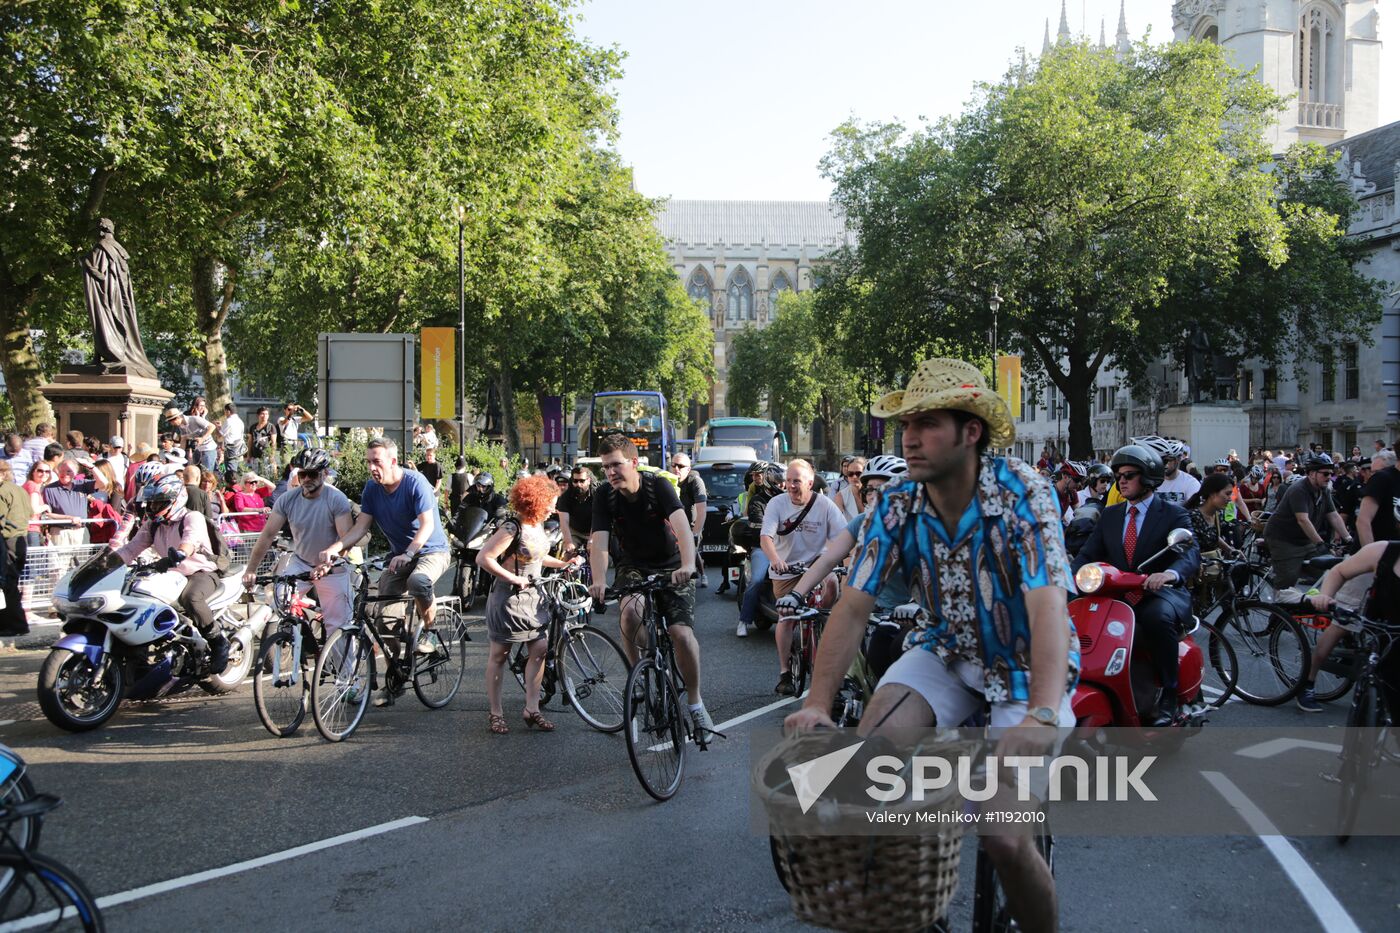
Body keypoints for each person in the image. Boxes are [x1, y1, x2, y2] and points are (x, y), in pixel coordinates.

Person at [786, 359, 1075, 933]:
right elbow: (853, 604)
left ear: (971, 432)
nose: (909, 438)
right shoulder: (895, 502)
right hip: (945, 650)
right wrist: (818, 701)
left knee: (1003, 833)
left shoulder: (1025, 492)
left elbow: (1049, 608)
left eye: (927, 424)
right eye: (905, 425)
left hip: (1024, 668)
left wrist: (1042, 712)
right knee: (873, 756)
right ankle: (910, 909)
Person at [587, 434, 714, 740]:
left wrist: (686, 565)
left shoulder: (657, 485)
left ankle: (695, 703)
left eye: (616, 465)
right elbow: (599, 541)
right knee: (630, 614)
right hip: (633, 565)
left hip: (672, 564)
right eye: (606, 467)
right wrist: (599, 581)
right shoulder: (604, 495)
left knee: (681, 633)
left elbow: (683, 526)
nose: (611, 472)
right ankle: (639, 676)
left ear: (633, 462)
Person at [1074, 442, 1200, 725]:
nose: (1122, 480)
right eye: (1119, 475)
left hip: (1159, 594)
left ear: (1149, 477)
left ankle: (1169, 693)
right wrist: (1063, 581)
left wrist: (1170, 575)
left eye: (1129, 475)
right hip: (1118, 596)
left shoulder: (1173, 514)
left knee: (1157, 619)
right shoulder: (1110, 515)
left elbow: (1189, 552)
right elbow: (1086, 554)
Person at [317, 438, 450, 707]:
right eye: (368, 462)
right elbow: (360, 528)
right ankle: (396, 678)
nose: (371, 467)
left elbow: (426, 525)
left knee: (419, 580)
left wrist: (409, 553)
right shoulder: (372, 489)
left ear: (392, 460)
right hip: (398, 558)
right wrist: (335, 548)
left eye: (376, 461)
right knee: (384, 624)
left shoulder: (415, 483)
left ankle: (431, 632)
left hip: (431, 551)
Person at [476, 474, 582, 734]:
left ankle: (532, 709)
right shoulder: (513, 527)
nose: (553, 509)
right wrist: (513, 578)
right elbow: (484, 558)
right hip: (508, 599)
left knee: (540, 648)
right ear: (536, 501)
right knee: (499, 656)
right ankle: (496, 713)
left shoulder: (537, 527)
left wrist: (564, 564)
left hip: (534, 599)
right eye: (550, 503)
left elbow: (539, 556)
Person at [242, 448, 356, 650]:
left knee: (337, 628)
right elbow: (267, 535)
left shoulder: (335, 498)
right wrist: (251, 570)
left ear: (325, 473)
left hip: (333, 567)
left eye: (312, 474)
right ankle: (308, 625)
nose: (306, 479)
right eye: (302, 474)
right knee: (279, 599)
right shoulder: (287, 499)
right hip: (302, 561)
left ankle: (346, 680)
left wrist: (327, 564)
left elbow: (346, 540)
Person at [115, 474, 230, 672]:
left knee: (191, 598)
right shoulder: (153, 525)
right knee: (137, 595)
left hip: (200, 572)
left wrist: (179, 554)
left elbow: (190, 540)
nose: (152, 508)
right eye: (150, 503)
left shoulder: (191, 517)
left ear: (175, 500)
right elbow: (131, 548)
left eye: (157, 503)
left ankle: (219, 642)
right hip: (171, 576)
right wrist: (108, 562)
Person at [762, 459, 845, 696]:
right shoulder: (776, 504)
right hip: (787, 571)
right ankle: (785, 672)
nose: (790, 486)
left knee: (831, 584)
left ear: (810, 483)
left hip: (816, 568)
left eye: (796, 481)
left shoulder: (825, 505)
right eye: (787, 481)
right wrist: (776, 560)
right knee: (786, 616)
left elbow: (843, 538)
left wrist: (839, 560)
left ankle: (821, 624)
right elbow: (765, 538)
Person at [1297, 539, 1400, 712]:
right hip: (1372, 571)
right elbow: (1340, 570)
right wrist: (1325, 596)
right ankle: (1308, 682)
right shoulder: (1382, 550)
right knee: (1341, 624)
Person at [1264, 454, 1353, 587]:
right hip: (1283, 539)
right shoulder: (1299, 490)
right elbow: (1303, 520)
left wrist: (1349, 539)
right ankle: (1278, 606)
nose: (1329, 477)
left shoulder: (1324, 491)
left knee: (1325, 571)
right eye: (1325, 474)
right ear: (1312, 473)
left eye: (1331, 473)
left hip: (1304, 539)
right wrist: (1320, 544)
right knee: (1288, 579)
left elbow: (1334, 516)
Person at [735, 461, 786, 637]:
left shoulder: (788, 500)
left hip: (787, 548)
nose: (782, 485)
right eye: (778, 482)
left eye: (782, 482)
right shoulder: (757, 501)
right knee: (756, 580)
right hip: (763, 547)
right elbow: (757, 523)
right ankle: (743, 620)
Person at [669, 453, 709, 588]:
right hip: (674, 525)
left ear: (688, 468)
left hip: (692, 525)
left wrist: (695, 533)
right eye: (673, 465)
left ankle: (701, 574)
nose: (676, 469)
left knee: (692, 550)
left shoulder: (695, 481)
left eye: (680, 466)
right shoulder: (667, 481)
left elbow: (702, 511)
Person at [42, 459, 96, 548]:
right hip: (60, 533)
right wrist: (69, 518)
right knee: (60, 562)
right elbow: (47, 515)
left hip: (81, 532)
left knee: (83, 562)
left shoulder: (82, 484)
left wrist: (91, 467)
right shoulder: (49, 489)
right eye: (62, 471)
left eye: (68, 471)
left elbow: (104, 483)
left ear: (75, 473)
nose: (65, 474)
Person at [1356, 449, 1400, 546]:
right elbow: (1363, 520)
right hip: (1379, 552)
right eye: (1372, 472)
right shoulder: (1382, 478)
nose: (1372, 476)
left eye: (1376, 472)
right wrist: (1370, 556)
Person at [555, 466, 596, 552]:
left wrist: (591, 540)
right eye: (575, 481)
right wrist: (569, 542)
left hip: (594, 531)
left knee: (596, 553)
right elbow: (564, 522)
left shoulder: (596, 495)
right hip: (575, 532)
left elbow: (598, 518)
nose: (578, 484)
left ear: (588, 480)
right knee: (568, 552)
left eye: (582, 481)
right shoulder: (565, 496)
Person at [164, 406, 218, 471]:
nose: (172, 424)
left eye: (171, 421)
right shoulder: (181, 426)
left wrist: (202, 438)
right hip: (197, 450)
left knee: (207, 473)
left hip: (208, 449)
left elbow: (212, 426)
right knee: (197, 472)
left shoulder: (195, 419)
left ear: (178, 417)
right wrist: (179, 454)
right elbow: (184, 439)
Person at [831, 457, 866, 521]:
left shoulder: (872, 493)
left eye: (858, 473)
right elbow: (836, 522)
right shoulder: (840, 496)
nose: (854, 477)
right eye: (850, 474)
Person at [218, 403, 246, 481]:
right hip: (239, 448)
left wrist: (217, 428)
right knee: (236, 470)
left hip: (231, 449)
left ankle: (231, 488)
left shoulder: (229, 421)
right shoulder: (240, 421)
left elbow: (220, 436)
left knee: (230, 471)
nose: (225, 414)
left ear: (228, 411)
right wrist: (221, 427)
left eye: (225, 411)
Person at [247, 407, 277, 474]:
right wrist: (248, 454)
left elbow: (274, 443)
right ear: (258, 415)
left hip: (266, 456)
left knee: (266, 475)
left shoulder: (271, 427)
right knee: (255, 476)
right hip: (255, 456)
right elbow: (250, 441)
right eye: (262, 414)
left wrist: (272, 455)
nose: (264, 416)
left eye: (266, 414)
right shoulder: (253, 427)